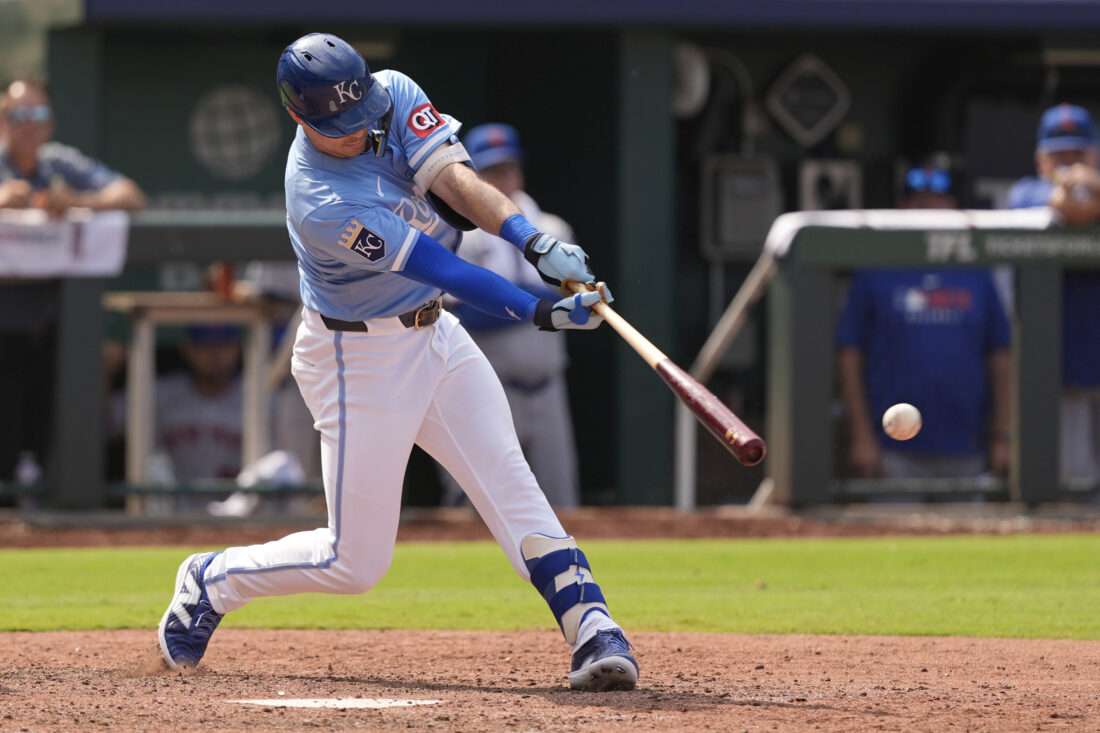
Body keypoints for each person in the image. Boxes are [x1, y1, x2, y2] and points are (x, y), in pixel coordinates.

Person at [156, 33, 638, 692]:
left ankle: (593, 628)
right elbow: (439, 264)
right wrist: (540, 311)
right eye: (342, 127)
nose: (360, 131)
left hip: (434, 334)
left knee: (509, 479)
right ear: (300, 117)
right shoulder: (320, 200)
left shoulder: (393, 93)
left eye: (363, 116)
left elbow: (456, 182)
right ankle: (210, 579)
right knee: (355, 562)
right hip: (358, 355)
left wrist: (535, 239)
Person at [0, 79, 145, 485]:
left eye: (37, 115)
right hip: (3, 326)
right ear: (3, 122)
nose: (28, 125)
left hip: (51, 327)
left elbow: (130, 195)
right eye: (18, 116)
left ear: (49, 124)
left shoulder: (58, 163)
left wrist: (75, 202)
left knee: (49, 429)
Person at [837, 159, 1013, 481]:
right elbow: (850, 353)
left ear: (953, 206)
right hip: (891, 449)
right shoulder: (876, 268)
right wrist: (860, 435)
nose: (929, 208)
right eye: (918, 201)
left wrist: (1002, 435)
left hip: (967, 446)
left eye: (937, 200)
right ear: (902, 207)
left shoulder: (975, 271)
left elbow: (1000, 354)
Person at [440, 123, 580, 508]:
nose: (501, 181)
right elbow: (466, 313)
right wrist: (538, 304)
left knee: (561, 504)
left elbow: (572, 301)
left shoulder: (552, 230)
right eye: (490, 173)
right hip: (487, 392)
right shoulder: (459, 235)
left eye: (507, 169)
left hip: (548, 388)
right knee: (477, 505)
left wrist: (512, 299)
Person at [1006, 103, 1100, 488]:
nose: (1069, 162)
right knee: (1072, 489)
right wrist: (1075, 184)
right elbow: (1069, 209)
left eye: (1077, 153)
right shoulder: (1027, 193)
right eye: (1059, 154)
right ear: (1040, 159)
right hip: (1062, 374)